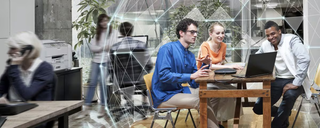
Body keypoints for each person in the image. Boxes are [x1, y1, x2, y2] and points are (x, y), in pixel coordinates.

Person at [151, 18, 222, 128]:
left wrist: (205, 65)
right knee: (200, 101)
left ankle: (211, 125)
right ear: (181, 33)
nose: (195, 35)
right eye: (192, 32)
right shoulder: (167, 49)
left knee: (212, 94)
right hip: (164, 95)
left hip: (179, 91)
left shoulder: (189, 55)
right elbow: (164, 76)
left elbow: (194, 83)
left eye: (196, 32)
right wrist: (191, 76)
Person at [252, 21, 310, 128]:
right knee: (258, 108)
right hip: (277, 79)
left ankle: (276, 125)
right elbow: (257, 58)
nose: (270, 37)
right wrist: (246, 66)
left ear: (279, 32)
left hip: (295, 79)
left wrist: (296, 83)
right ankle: (284, 114)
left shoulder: (292, 40)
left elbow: (305, 59)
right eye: (268, 35)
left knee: (289, 95)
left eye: (273, 33)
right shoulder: (266, 44)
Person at [0, 31, 55, 128]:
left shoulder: (44, 69)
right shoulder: (12, 68)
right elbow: (1, 89)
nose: (8, 52)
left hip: (36, 118)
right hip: (11, 115)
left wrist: (14, 68)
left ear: (27, 51)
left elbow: (26, 95)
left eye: (13, 49)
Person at [196, 22, 243, 122]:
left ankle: (221, 120)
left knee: (233, 91)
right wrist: (230, 66)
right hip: (203, 80)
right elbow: (209, 66)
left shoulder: (223, 46)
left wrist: (229, 67)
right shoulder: (205, 45)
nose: (221, 36)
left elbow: (220, 64)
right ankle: (211, 121)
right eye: (218, 33)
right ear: (211, 34)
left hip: (215, 78)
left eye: (222, 33)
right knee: (218, 93)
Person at [76, 14, 117, 119]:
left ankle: (102, 108)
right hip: (96, 61)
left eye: (106, 21)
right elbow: (93, 47)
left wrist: (101, 48)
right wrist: (103, 48)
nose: (104, 23)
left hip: (106, 61)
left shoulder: (113, 33)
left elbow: (113, 46)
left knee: (102, 84)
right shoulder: (97, 34)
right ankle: (86, 109)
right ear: (99, 22)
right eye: (102, 21)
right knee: (92, 83)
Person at [110, 22, 153, 107]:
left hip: (121, 82)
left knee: (124, 77)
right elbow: (149, 64)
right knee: (147, 77)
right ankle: (145, 103)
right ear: (132, 31)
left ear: (120, 32)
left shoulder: (114, 47)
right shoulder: (141, 45)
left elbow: (110, 67)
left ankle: (129, 101)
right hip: (140, 81)